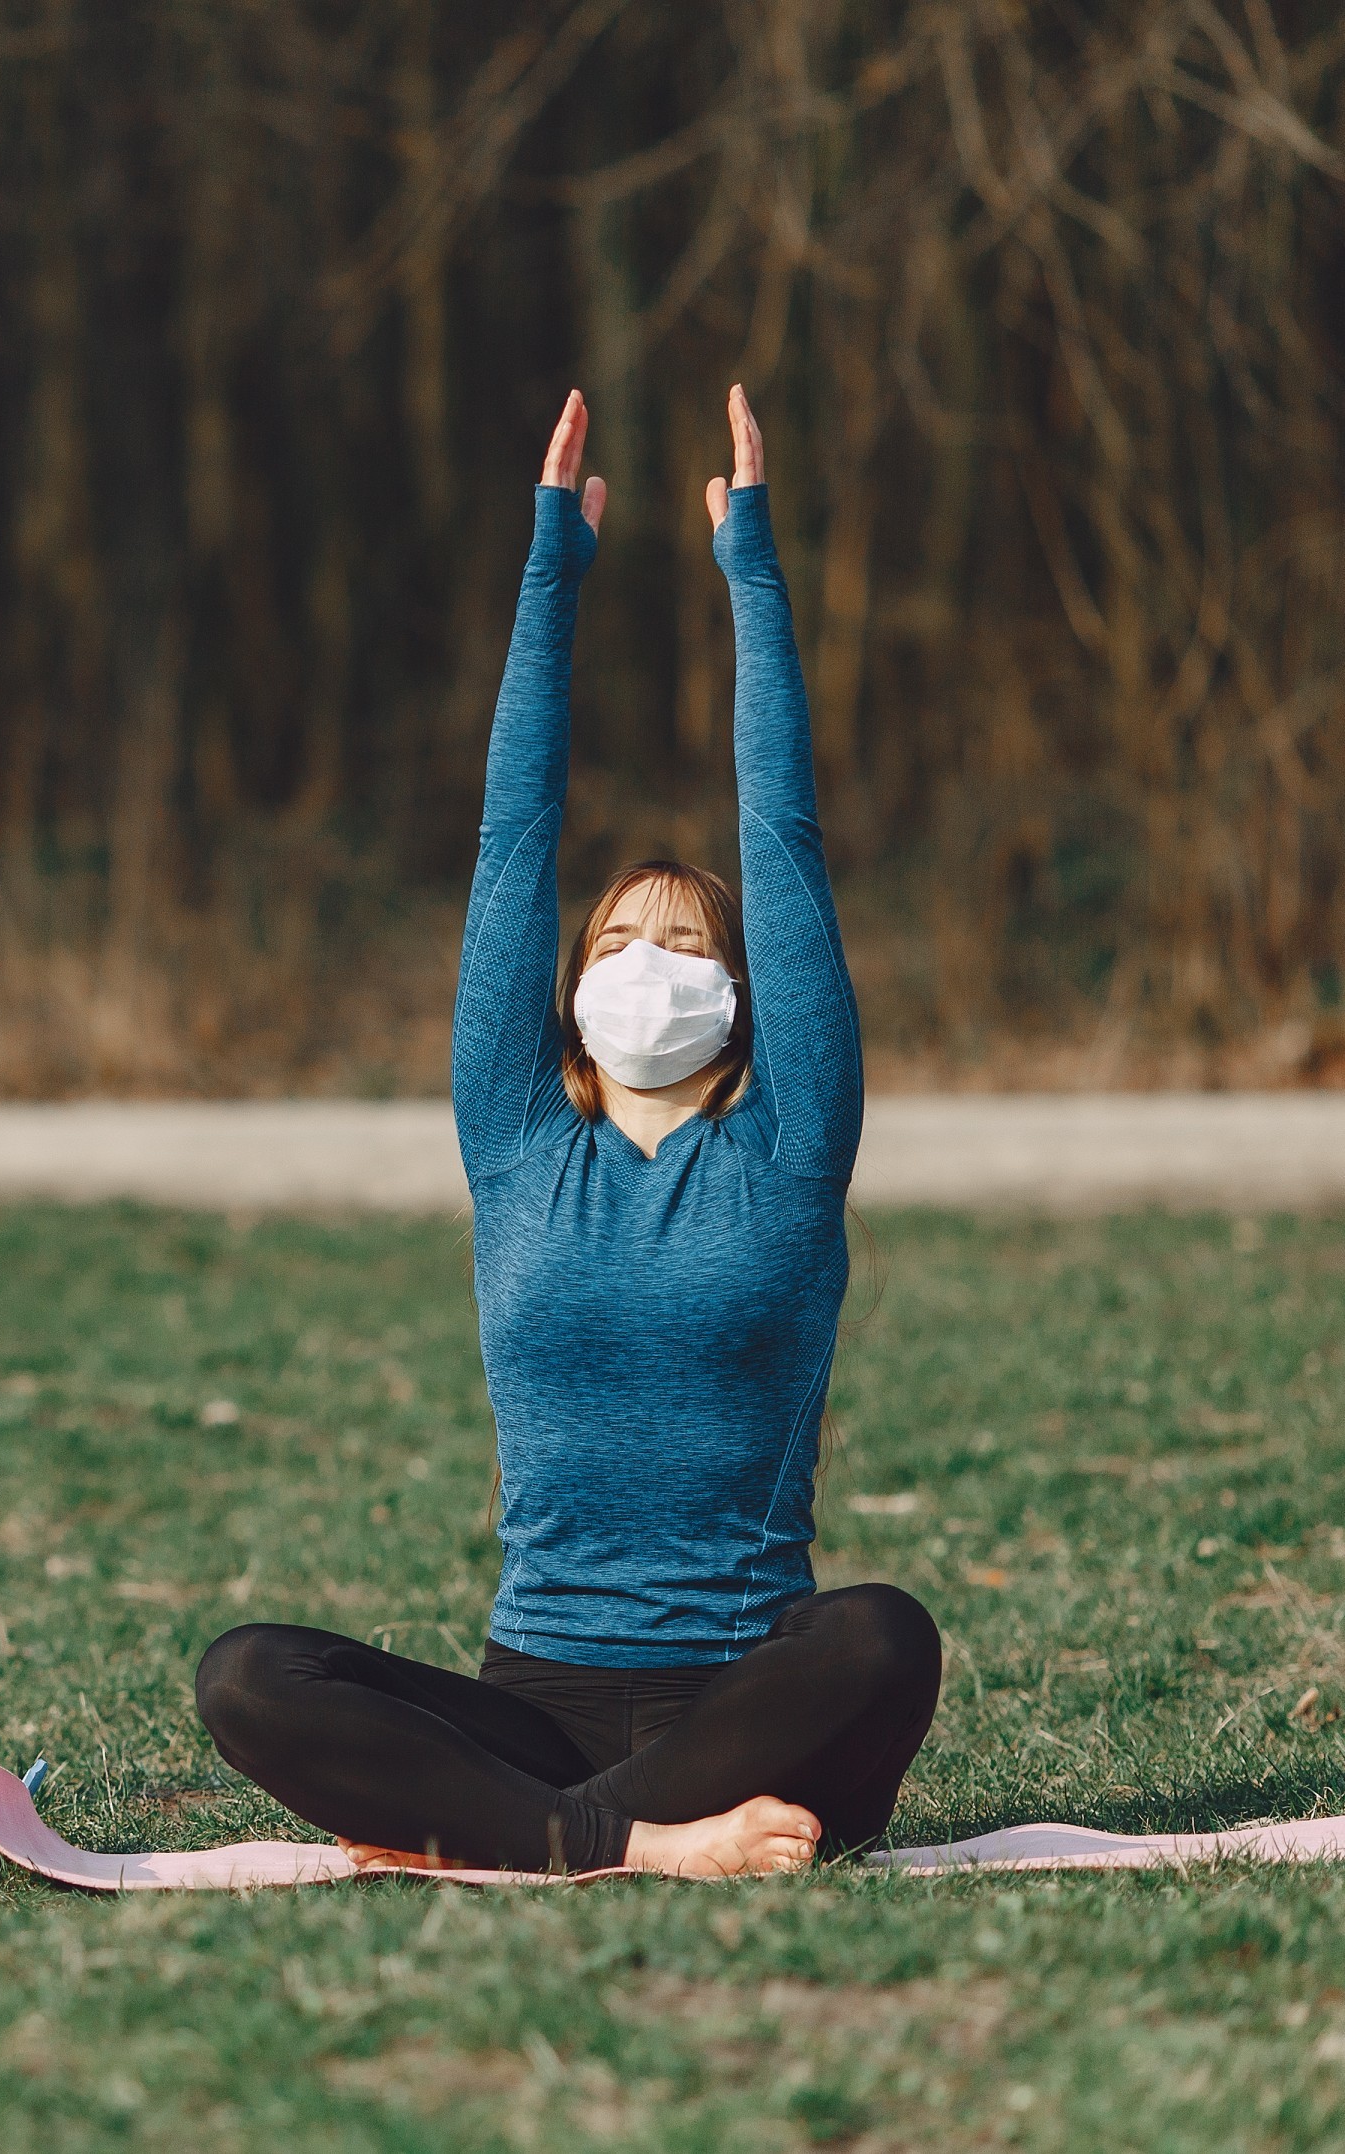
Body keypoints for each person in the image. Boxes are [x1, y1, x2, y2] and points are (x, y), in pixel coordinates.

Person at [190, 388, 940, 1878]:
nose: (644, 964)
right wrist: (550, 572)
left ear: (738, 996)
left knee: (882, 1634)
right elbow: (509, 844)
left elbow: (782, 839)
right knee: (247, 1672)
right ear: (572, 985)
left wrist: (755, 575)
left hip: (757, 1698)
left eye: (682, 941)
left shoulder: (788, 1154)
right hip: (533, 1702)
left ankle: (534, 1839)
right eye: (615, 942)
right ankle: (624, 1837)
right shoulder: (520, 1140)